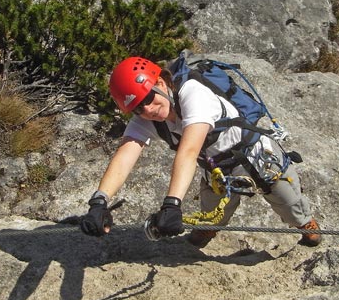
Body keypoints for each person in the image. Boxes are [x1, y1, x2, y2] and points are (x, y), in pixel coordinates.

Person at [79, 55, 321, 248]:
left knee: (290, 206)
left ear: (161, 83)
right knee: (212, 212)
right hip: (215, 167)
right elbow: (125, 155)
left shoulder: (194, 94)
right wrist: (99, 201)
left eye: (150, 97)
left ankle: (306, 225)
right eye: (138, 107)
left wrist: (172, 205)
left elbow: (188, 151)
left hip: (256, 157)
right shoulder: (147, 116)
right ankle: (209, 229)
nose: (148, 109)